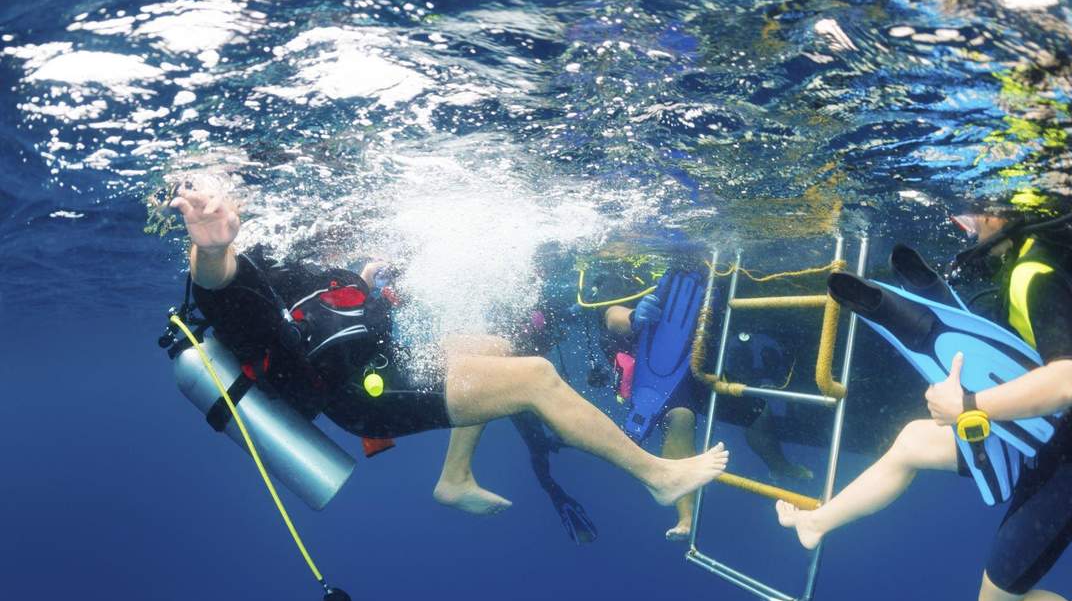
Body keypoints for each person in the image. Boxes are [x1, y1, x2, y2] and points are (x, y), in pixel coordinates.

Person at [168, 186, 728, 518]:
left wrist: (370, 280)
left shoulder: (305, 265)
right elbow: (217, 279)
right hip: (368, 397)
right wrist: (209, 244)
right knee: (534, 376)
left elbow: (337, 309)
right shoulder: (243, 279)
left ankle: (454, 479)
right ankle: (656, 476)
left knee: (495, 347)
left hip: (383, 369)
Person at [775, 211, 1072, 601]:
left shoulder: (1033, 272)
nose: (965, 228)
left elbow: (1067, 383)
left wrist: (966, 405)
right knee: (912, 442)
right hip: (1040, 430)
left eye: (972, 218)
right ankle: (816, 523)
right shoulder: (1053, 257)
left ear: (998, 214)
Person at [604, 293, 811, 541]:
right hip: (657, 369)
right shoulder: (634, 276)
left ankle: (778, 466)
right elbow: (608, 314)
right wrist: (633, 316)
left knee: (757, 410)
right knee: (680, 418)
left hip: (695, 362)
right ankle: (686, 515)